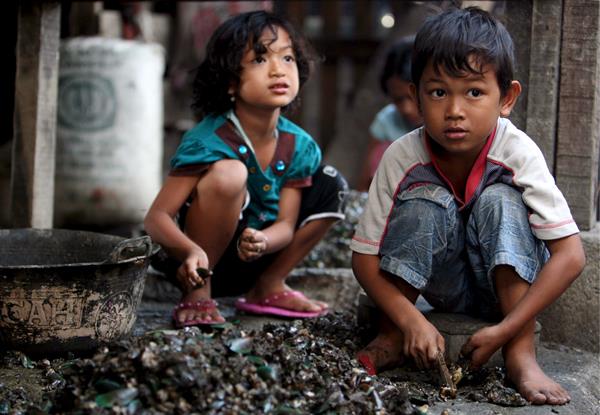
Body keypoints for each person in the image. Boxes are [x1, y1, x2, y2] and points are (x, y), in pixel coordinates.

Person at [350, 7, 585, 406]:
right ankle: (391, 333)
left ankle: (521, 355)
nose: (455, 110)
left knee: (499, 200)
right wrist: (412, 320)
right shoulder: (401, 156)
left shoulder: (518, 152)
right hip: (440, 283)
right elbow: (363, 258)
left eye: (474, 92)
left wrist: (507, 329)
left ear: (506, 98)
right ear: (416, 98)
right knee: (428, 202)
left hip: (507, 290)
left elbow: (571, 255)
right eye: (438, 92)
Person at [145, 10, 348, 327]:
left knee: (332, 183)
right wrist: (189, 251)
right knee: (230, 173)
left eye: (288, 58)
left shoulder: (300, 145)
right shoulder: (207, 140)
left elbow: (286, 224)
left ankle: (268, 286)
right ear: (230, 82)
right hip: (196, 261)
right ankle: (198, 294)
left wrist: (263, 241)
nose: (278, 70)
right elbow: (156, 218)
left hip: (255, 257)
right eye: (259, 60)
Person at [357, 37, 421, 191]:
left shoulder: (449, 124)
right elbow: (365, 186)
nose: (407, 108)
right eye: (398, 100)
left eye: (414, 98)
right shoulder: (386, 122)